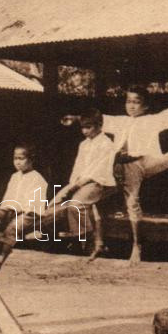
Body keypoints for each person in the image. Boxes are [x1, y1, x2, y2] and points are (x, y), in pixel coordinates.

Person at [63, 86, 168, 265]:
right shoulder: (121, 121)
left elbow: (167, 116)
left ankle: (137, 246)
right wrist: (75, 118)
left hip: (136, 163)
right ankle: (97, 243)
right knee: (91, 197)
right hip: (115, 165)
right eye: (129, 101)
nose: (131, 105)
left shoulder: (152, 120)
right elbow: (99, 119)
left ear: (145, 106)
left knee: (132, 203)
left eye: (136, 102)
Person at [53, 109, 117, 261]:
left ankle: (88, 239)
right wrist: (71, 185)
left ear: (99, 125)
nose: (85, 131)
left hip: (98, 181)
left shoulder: (106, 144)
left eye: (89, 127)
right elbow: (78, 166)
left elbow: (100, 169)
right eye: (83, 127)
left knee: (76, 204)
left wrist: (80, 184)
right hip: (81, 181)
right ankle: (76, 238)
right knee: (56, 202)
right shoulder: (83, 144)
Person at [0, 143, 48, 269]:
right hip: (13, 210)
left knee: (13, 227)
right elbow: (8, 197)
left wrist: (18, 211)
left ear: (31, 159)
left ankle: (2, 257)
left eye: (21, 159)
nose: (17, 162)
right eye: (15, 158)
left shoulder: (37, 179)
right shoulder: (14, 177)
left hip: (30, 213)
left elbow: (33, 203)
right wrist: (4, 210)